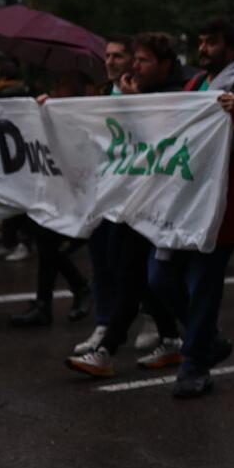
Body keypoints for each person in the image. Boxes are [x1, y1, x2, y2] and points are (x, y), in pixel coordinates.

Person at [149, 19, 234, 399]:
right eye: (201, 41)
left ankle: (195, 366)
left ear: (231, 48)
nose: (203, 48)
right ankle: (207, 339)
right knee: (159, 277)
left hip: (217, 208)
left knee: (204, 287)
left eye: (211, 42)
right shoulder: (196, 86)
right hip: (181, 203)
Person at [67, 33, 186, 374]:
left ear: (165, 65)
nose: (135, 66)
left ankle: (107, 348)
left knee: (138, 275)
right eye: (135, 59)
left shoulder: (178, 97)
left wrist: (136, 105)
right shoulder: (113, 92)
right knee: (135, 274)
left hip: (155, 200)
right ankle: (174, 338)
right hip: (121, 197)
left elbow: (163, 142)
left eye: (143, 60)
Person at [9, 70, 93, 327]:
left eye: (63, 82)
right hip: (54, 189)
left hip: (79, 190)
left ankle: (76, 291)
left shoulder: (88, 111)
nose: (57, 86)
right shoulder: (54, 108)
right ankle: (47, 302)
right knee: (46, 242)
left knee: (51, 244)